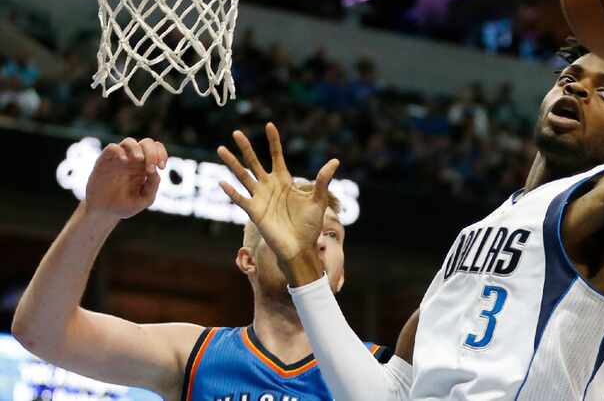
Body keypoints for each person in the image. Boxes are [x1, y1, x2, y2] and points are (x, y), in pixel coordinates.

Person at [216, 0, 604, 400]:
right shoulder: (475, 235)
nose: (579, 91)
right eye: (570, 80)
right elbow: (386, 394)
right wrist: (302, 269)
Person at [12, 136, 389, 401]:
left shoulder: (386, 370)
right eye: (292, 225)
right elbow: (43, 333)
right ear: (248, 260)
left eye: (331, 234)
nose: (315, 241)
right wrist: (96, 213)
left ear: (340, 277)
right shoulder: (195, 354)